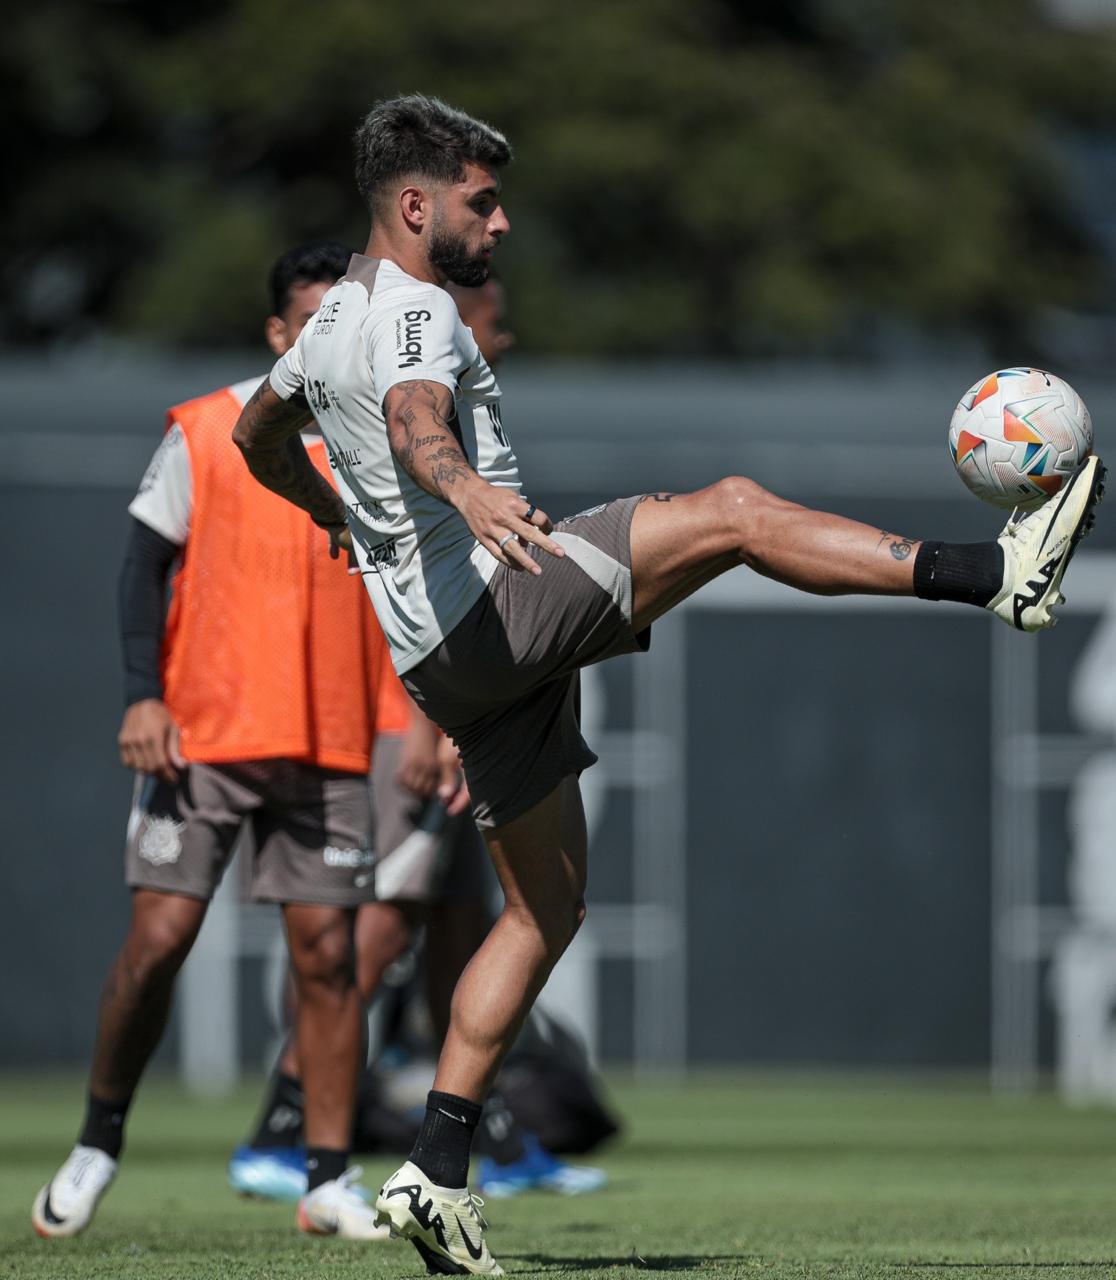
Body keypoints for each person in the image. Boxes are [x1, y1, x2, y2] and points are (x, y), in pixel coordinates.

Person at [232, 95, 1106, 1275]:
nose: (501, 221)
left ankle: (435, 1172)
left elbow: (256, 434)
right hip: (497, 599)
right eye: (482, 201)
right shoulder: (412, 313)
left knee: (545, 913)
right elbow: (413, 416)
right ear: (414, 204)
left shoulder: (327, 315)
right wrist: (466, 494)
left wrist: (336, 513)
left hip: (445, 661)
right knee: (736, 512)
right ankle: (996, 571)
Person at [32, 242, 393, 1243]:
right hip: (204, 736)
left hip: (328, 740)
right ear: (281, 334)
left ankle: (326, 1177)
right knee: (157, 946)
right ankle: (99, 1139)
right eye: (316, 325)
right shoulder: (206, 429)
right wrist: (142, 697)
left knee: (328, 958)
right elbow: (141, 567)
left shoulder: (391, 444)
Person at [229, 277, 610, 1203]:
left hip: (453, 717)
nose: (504, 335)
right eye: (492, 316)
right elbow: (410, 602)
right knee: (379, 931)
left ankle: (493, 1133)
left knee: (460, 929)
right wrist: (423, 725)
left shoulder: (451, 410)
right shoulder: (402, 384)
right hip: (424, 725)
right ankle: (284, 1121)